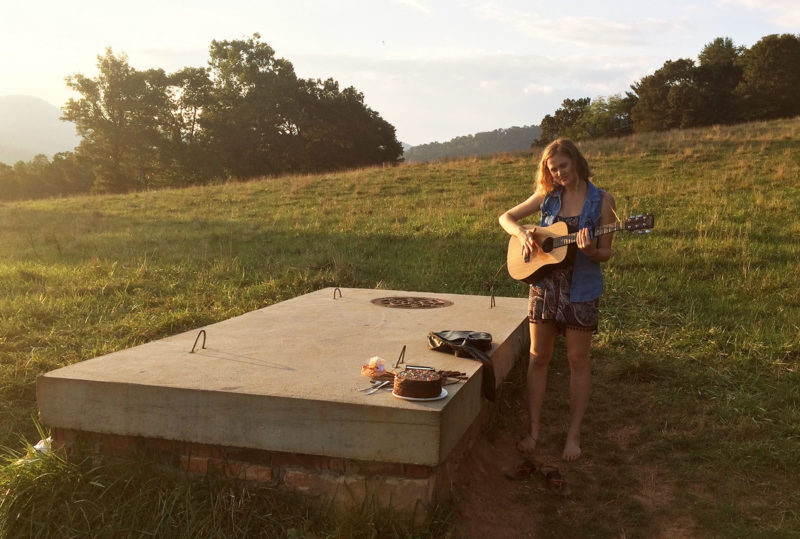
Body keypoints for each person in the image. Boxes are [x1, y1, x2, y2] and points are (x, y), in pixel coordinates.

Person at [498, 138, 616, 461]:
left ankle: (573, 437)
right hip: (544, 287)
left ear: (576, 162)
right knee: (538, 356)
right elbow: (505, 217)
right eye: (553, 169)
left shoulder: (602, 200)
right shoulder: (547, 197)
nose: (560, 173)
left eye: (563, 166)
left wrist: (591, 251)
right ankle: (534, 431)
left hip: (582, 290)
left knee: (578, 362)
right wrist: (522, 233)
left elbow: (605, 251)